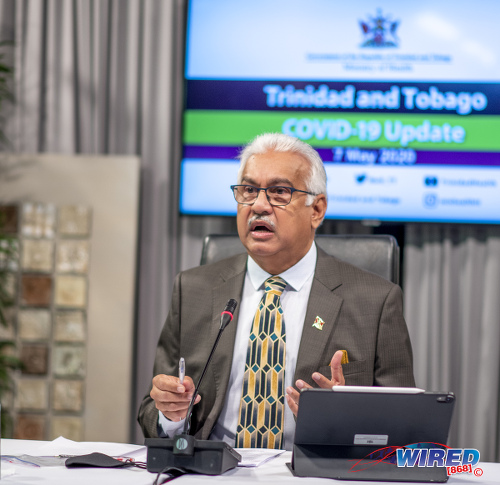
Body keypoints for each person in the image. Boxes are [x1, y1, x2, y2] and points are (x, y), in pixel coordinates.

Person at [138, 133, 415, 450]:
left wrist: (347, 421)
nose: (257, 205)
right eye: (248, 190)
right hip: (213, 471)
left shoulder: (374, 301)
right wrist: (170, 414)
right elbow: (151, 413)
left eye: (279, 192)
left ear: (317, 210)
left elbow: (404, 428)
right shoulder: (193, 290)